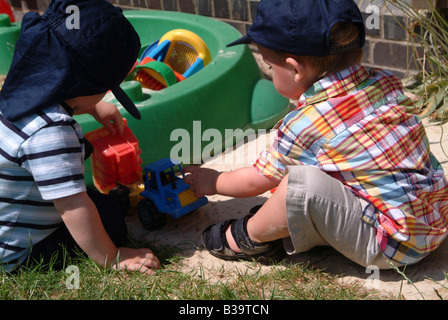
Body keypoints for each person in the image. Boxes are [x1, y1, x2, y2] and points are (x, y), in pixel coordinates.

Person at [184, 0, 448, 269]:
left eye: (269, 66)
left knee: (298, 186)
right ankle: (291, 227)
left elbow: (256, 180)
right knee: (310, 174)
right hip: (432, 219)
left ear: (295, 69)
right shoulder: (385, 82)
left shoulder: (306, 124)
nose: (269, 72)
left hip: (393, 245)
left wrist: (215, 181)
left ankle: (248, 237)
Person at [0, 0, 160, 274]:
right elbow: (73, 207)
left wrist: (92, 105)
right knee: (107, 218)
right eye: (104, 89)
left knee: (91, 202)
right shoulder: (51, 132)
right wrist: (113, 257)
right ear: (84, 84)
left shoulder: (15, 94)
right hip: (17, 251)